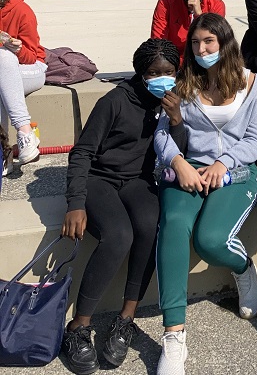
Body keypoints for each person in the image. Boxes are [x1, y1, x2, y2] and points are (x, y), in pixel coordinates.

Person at [154, 13, 257, 375]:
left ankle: (244, 269)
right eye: (196, 43)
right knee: (173, 223)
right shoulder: (182, 83)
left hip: (235, 172)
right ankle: (174, 335)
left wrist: (224, 162)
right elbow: (162, 134)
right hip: (187, 170)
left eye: (209, 42)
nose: (201, 50)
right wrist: (178, 161)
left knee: (211, 241)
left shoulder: (251, 83)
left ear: (225, 43)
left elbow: (256, 140)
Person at [61, 38, 180, 375]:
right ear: (140, 73)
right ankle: (78, 326)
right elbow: (82, 152)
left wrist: (176, 120)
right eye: (153, 72)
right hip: (100, 178)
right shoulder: (113, 101)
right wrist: (75, 202)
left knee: (150, 226)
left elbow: (179, 150)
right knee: (118, 235)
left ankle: (126, 318)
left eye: (169, 72)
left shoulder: (173, 102)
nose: (161, 78)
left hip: (137, 179)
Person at [0, 0, 47, 170]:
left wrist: (17, 50)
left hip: (32, 68)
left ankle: (24, 130)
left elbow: (32, 56)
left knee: (3, 56)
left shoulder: (22, 11)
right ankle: (6, 155)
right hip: (4, 75)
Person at [151, 0, 226, 64]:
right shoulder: (166, 2)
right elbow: (157, 40)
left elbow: (213, 40)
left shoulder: (216, 4)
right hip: (174, 60)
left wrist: (199, 15)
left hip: (205, 59)